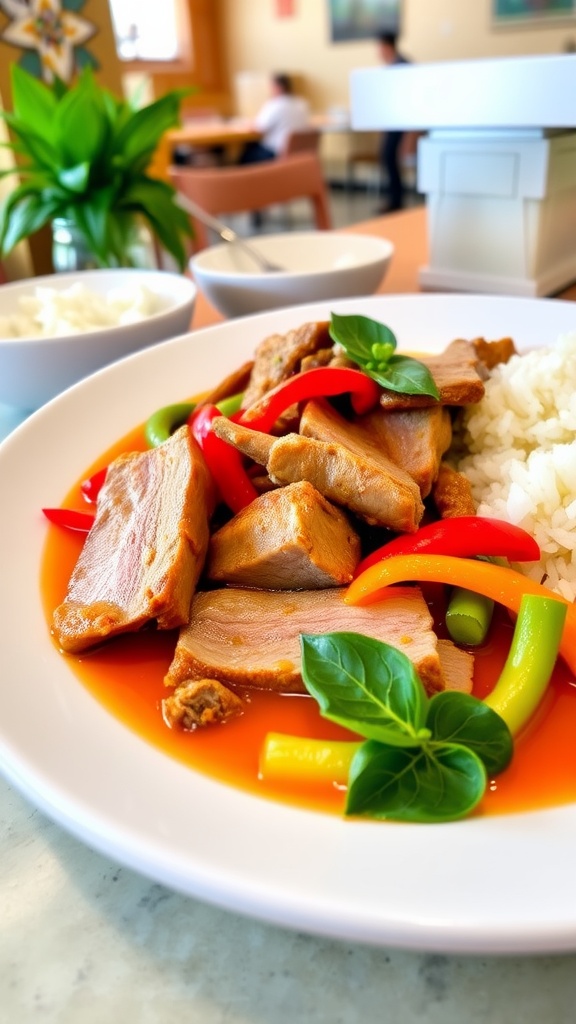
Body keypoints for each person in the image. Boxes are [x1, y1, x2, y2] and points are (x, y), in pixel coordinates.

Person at [239, 73, 310, 164]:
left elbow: (259, 128)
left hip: (276, 153)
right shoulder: (302, 104)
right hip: (300, 152)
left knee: (245, 155)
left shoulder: (275, 105)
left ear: (277, 87)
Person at [376, 31, 410, 213]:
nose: (378, 52)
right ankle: (394, 199)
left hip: (400, 123)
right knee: (388, 158)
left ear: (387, 46)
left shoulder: (401, 66)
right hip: (394, 122)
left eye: (379, 47)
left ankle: (395, 201)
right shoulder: (396, 65)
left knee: (390, 158)